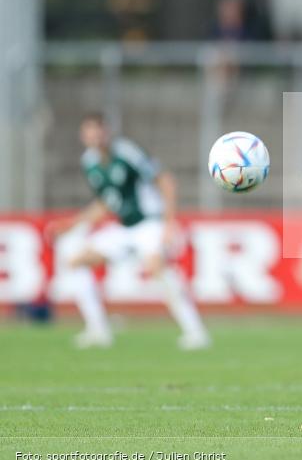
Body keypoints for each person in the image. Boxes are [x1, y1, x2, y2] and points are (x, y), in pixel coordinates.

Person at [46, 114, 210, 350]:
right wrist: (72, 224)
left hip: (150, 222)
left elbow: (165, 181)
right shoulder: (89, 162)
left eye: (98, 131)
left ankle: (196, 332)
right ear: (83, 136)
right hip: (125, 227)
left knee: (156, 268)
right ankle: (98, 331)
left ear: (107, 131)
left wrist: (168, 223)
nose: (94, 137)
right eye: (89, 132)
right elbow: (106, 202)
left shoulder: (126, 152)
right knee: (76, 261)